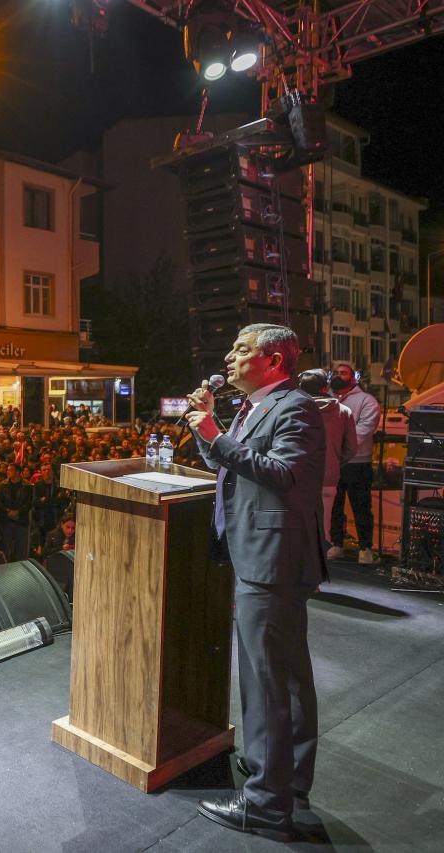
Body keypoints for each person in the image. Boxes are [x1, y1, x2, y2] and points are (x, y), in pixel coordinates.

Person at [186, 323, 325, 840]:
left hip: (272, 559)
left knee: (266, 683)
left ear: (274, 361)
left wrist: (214, 434)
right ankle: (289, 778)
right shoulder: (257, 406)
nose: (229, 357)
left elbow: (281, 473)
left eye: (241, 349)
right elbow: (233, 467)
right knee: (285, 678)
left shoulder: (295, 407)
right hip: (264, 555)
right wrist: (208, 430)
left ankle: (266, 804)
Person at [327, 362, 382, 564]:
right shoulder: (328, 400)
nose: (338, 375)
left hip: (357, 463)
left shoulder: (367, 400)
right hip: (333, 462)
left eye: (343, 373)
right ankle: (336, 544)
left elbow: (364, 429)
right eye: (335, 372)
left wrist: (337, 445)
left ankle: (365, 549)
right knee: (334, 507)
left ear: (353, 378)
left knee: (361, 507)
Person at [298, 369, 357, 556]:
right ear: (325, 387)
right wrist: (334, 462)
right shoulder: (344, 411)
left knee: (299, 528)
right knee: (323, 529)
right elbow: (351, 448)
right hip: (329, 477)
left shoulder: (294, 410)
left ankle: (300, 569)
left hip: (299, 476)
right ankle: (318, 568)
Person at [0, 462, 32, 560]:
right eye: (8, 470)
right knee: (6, 549)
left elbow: (29, 503)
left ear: (18, 472)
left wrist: (18, 512)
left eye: (11, 470)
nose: (8, 472)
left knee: (22, 550)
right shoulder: (3, 485)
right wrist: (7, 511)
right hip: (6, 521)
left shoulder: (27, 486)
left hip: (21, 521)